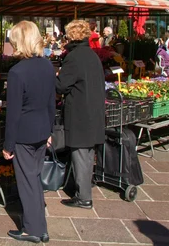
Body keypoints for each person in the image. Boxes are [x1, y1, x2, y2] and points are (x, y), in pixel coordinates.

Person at [2, 21, 54, 244]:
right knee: (34, 178)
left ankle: (33, 229)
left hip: (24, 133)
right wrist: (50, 130)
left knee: (27, 181)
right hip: (42, 130)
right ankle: (39, 227)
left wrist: (8, 145)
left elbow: (13, 113)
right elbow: (52, 102)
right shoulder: (47, 65)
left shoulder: (17, 72)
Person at [56, 20, 105, 210]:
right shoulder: (91, 55)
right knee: (86, 153)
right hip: (93, 110)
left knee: (81, 155)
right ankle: (82, 191)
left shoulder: (74, 57)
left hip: (80, 112)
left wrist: (56, 75)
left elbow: (61, 86)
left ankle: (84, 197)